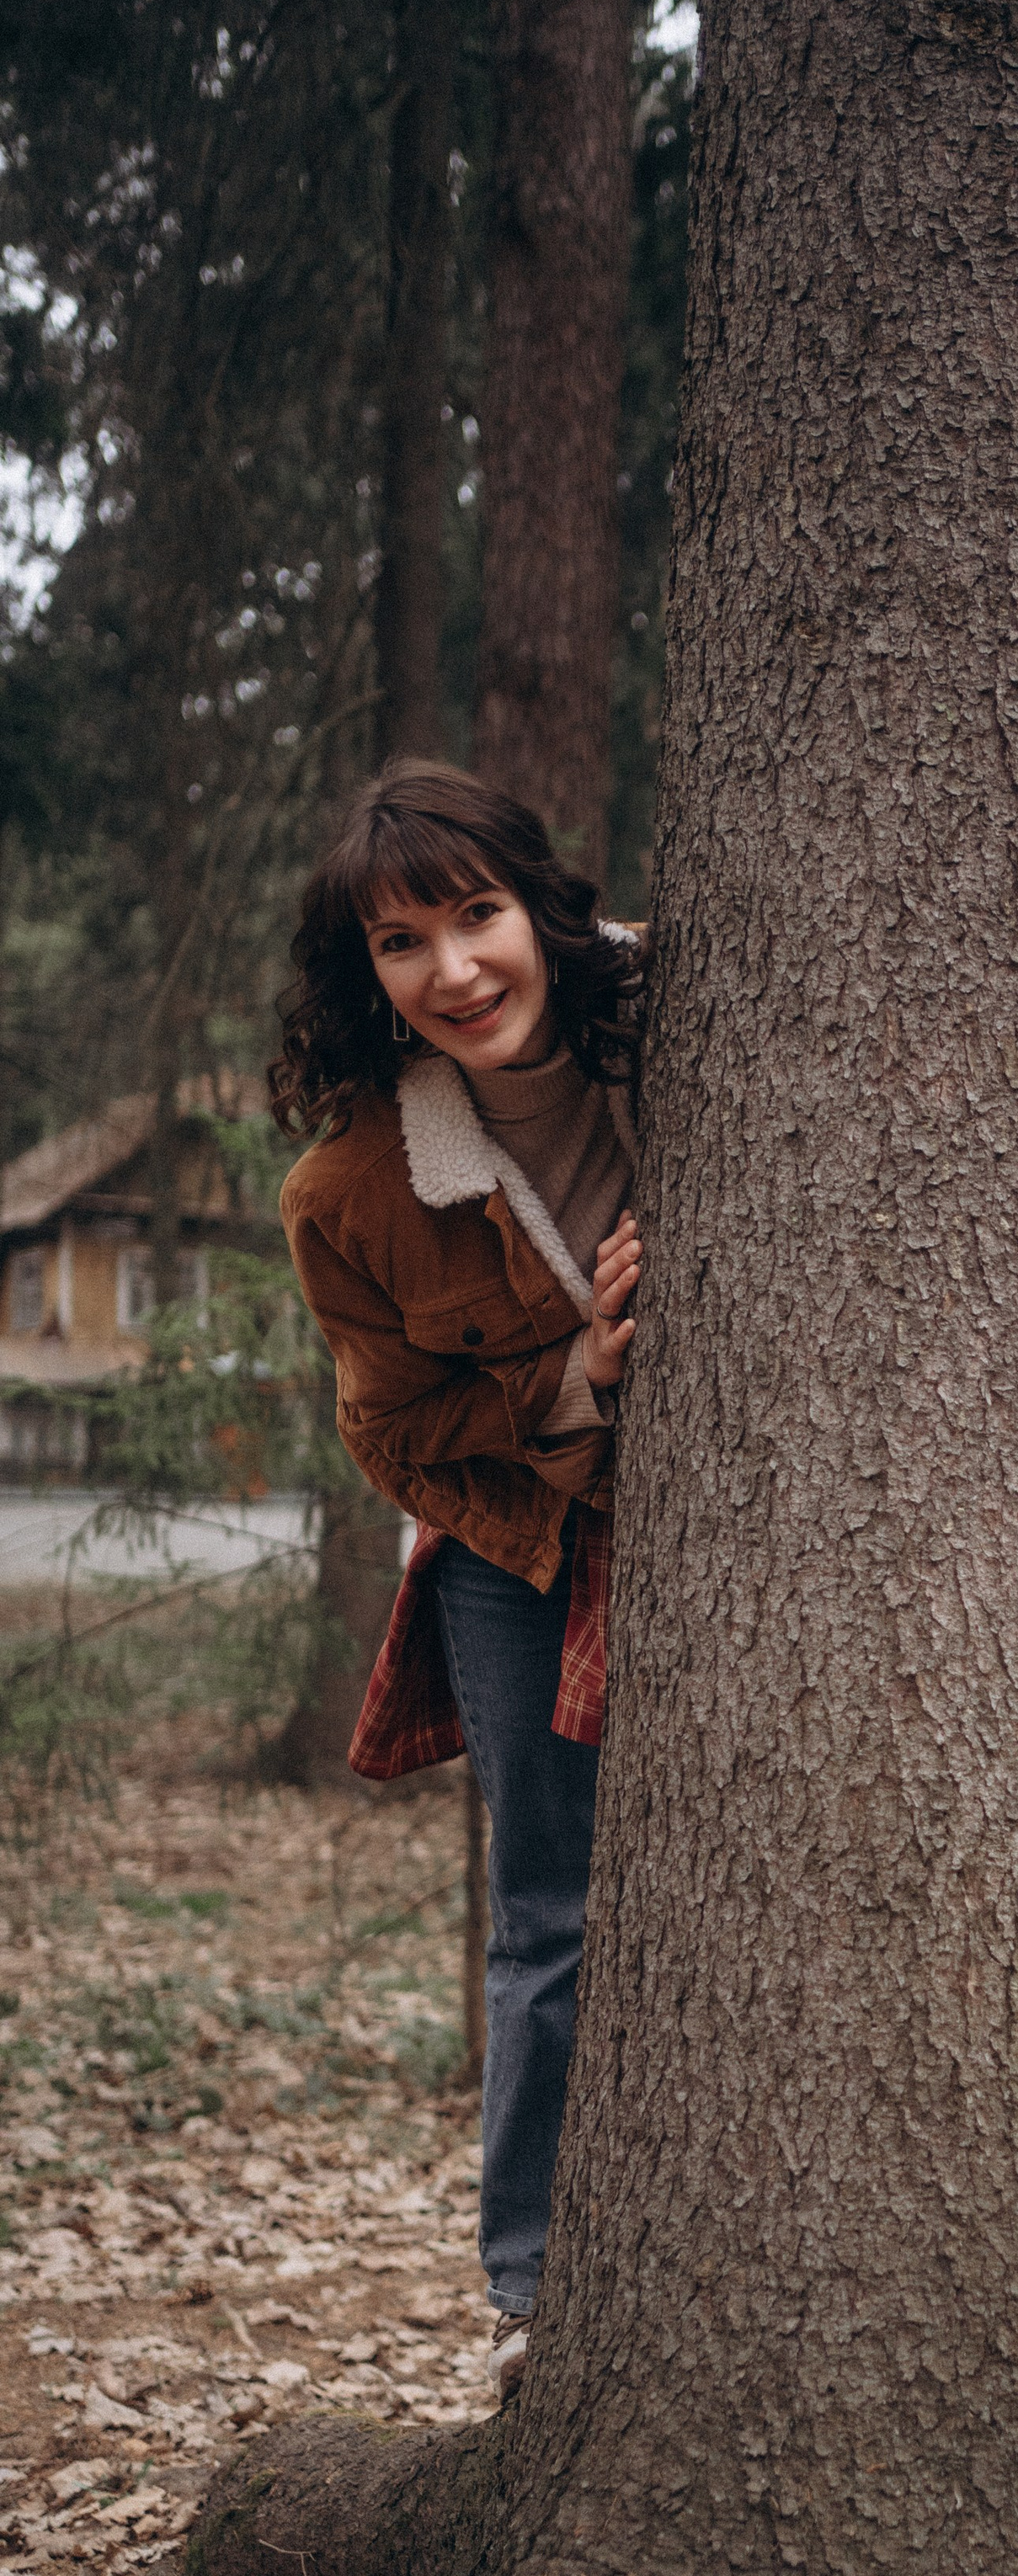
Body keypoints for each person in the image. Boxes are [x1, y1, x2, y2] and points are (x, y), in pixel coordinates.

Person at [270, 759, 645, 2402]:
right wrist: (573, 1373)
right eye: (401, 942)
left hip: (759, 1540)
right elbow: (398, 1436)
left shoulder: (697, 1019)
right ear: (365, 977)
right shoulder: (347, 1195)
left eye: (477, 914)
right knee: (548, 1922)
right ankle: (533, 2296)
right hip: (515, 1544)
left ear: (539, 910)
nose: (455, 970)